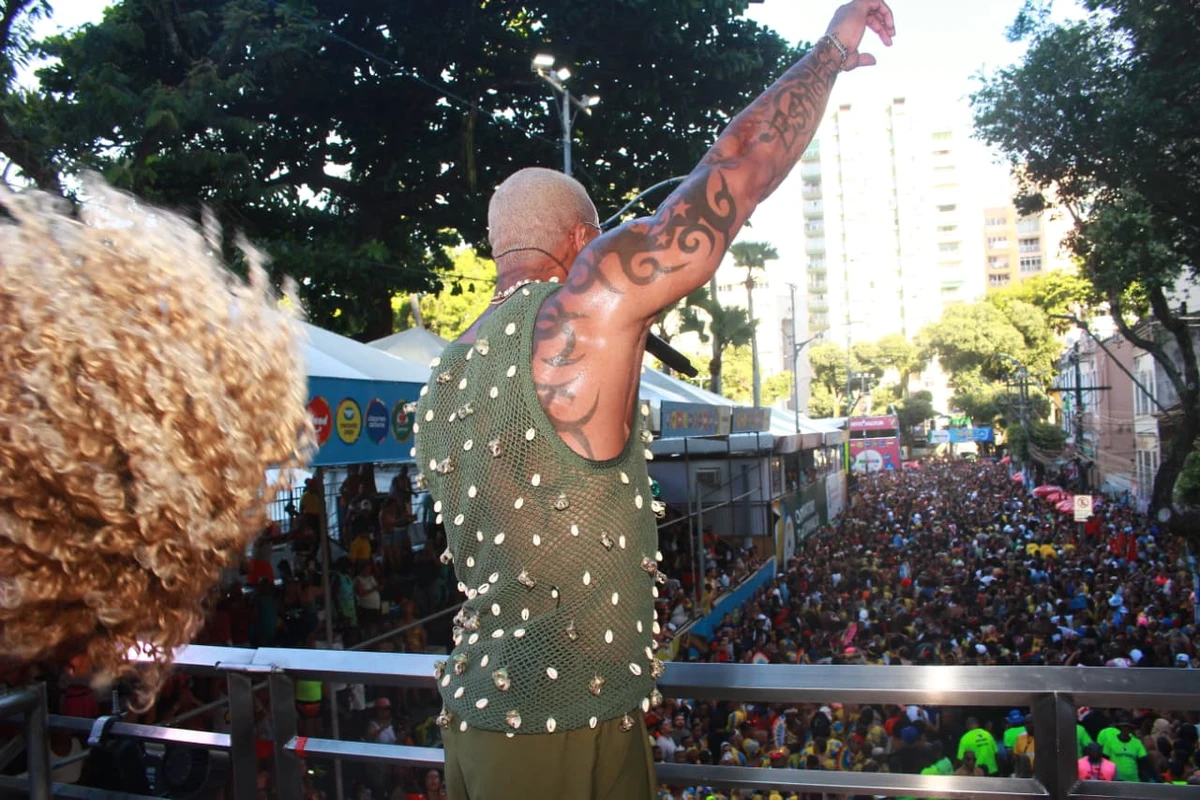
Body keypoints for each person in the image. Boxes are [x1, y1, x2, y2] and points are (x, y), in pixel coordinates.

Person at [413, 2, 895, 797]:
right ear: (580, 244)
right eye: (600, 239)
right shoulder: (583, 305)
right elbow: (732, 173)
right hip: (558, 736)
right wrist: (831, 50)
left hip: (481, 728)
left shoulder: (444, 378)